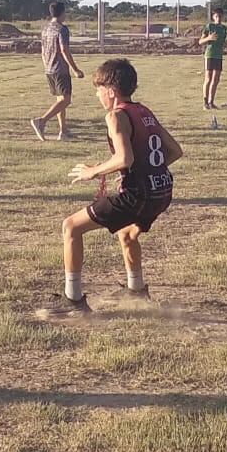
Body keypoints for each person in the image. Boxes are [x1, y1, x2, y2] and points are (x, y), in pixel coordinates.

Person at [44, 58, 183, 315]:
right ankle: (137, 292)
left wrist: (92, 172)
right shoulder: (143, 111)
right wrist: (146, 170)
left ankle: (72, 301)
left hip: (137, 195)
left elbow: (124, 158)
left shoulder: (116, 116)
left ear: (111, 91)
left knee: (70, 227)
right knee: (127, 233)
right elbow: (175, 151)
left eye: (98, 89)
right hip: (161, 191)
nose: (97, 95)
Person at [30, 1, 84, 141]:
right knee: (66, 100)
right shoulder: (62, 29)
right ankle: (41, 121)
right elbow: (64, 50)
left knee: (60, 99)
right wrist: (75, 69)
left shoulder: (46, 29)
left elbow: (42, 50)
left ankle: (63, 131)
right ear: (62, 13)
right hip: (60, 69)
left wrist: (46, 64)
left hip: (49, 68)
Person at [199, 7, 227, 110]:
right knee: (208, 78)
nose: (219, 18)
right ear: (213, 17)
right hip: (210, 54)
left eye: (220, 16)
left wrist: (225, 44)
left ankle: (211, 102)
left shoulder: (224, 29)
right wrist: (208, 38)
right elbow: (200, 41)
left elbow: (223, 41)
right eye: (216, 16)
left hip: (219, 55)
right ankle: (205, 102)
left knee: (216, 79)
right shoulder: (209, 26)